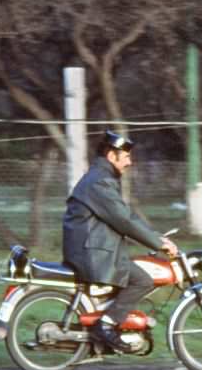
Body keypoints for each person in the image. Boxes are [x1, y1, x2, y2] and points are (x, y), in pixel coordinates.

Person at [62, 129, 178, 353]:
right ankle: (105, 326)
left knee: (135, 271)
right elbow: (123, 219)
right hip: (92, 254)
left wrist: (155, 238)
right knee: (143, 280)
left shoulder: (100, 178)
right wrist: (158, 243)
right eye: (126, 157)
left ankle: (109, 321)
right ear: (111, 156)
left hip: (94, 249)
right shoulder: (100, 182)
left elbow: (121, 218)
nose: (130, 162)